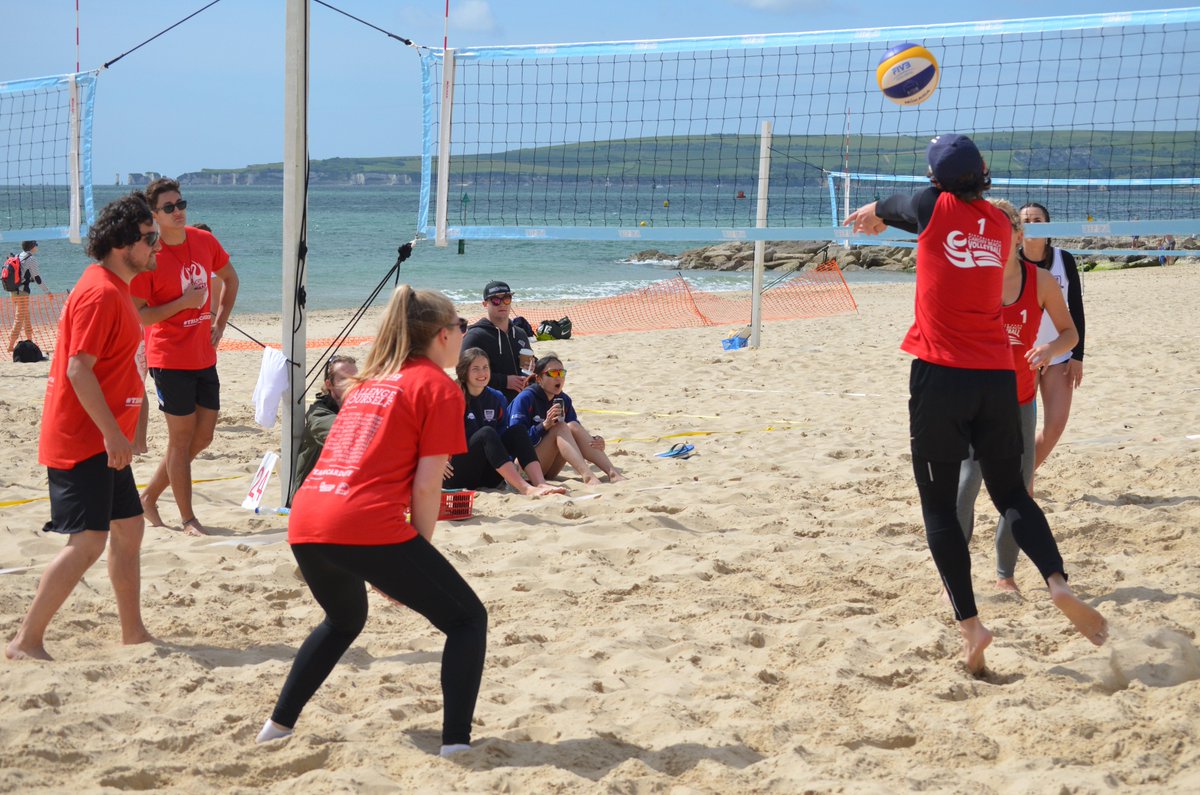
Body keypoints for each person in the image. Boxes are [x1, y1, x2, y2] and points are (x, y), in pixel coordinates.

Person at [844, 133, 1106, 674]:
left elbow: (893, 204)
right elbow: (904, 207)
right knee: (1012, 491)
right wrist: (886, 214)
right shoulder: (994, 222)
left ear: (937, 181)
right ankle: (1057, 583)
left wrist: (872, 213)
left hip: (940, 376)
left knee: (940, 509)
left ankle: (972, 626)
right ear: (984, 172)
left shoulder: (929, 206)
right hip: (995, 378)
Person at [258, 287, 487, 758]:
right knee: (468, 621)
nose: (464, 334)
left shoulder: (369, 382)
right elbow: (426, 489)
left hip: (306, 518)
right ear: (443, 335)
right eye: (460, 327)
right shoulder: (439, 387)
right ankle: (457, 747)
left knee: (344, 620)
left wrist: (401, 565)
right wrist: (414, 556)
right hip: (360, 522)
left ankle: (277, 728)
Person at [6, 195, 159, 661]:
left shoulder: (115, 287)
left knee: (129, 528)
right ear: (120, 243)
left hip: (106, 437)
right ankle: (26, 642)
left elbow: (121, 370)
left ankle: (132, 633)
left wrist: (131, 426)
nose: (157, 247)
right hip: (83, 438)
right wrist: (114, 433)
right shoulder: (100, 292)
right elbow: (78, 370)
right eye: (149, 238)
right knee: (88, 542)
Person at [956, 199, 1078, 594]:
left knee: (1019, 488)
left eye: (1004, 228)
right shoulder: (970, 280)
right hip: (977, 398)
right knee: (966, 484)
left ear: (1018, 236)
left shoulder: (1040, 281)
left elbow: (1069, 332)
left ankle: (1005, 576)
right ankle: (954, 576)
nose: (995, 236)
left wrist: (1049, 350)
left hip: (1021, 398)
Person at [130, 179, 240, 536]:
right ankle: (188, 518)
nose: (178, 211)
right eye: (169, 207)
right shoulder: (150, 255)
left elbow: (230, 278)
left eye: (181, 204)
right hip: (169, 357)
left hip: (203, 355)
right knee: (179, 441)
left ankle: (147, 497)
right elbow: (140, 314)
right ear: (154, 215)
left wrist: (218, 323)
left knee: (203, 436)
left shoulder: (203, 240)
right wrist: (184, 303)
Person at [1018, 203, 1085, 471]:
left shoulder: (1064, 259)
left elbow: (1077, 310)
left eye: (1038, 219)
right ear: (1018, 228)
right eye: (1026, 220)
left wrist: (1078, 356)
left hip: (1060, 352)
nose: (1032, 224)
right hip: (1022, 356)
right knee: (1020, 430)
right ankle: (1020, 485)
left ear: (1049, 225)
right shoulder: (1011, 262)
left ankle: (1021, 475)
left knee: (1055, 426)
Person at [444, 348, 565, 496]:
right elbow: (433, 433)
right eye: (475, 369)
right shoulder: (452, 397)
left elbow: (502, 437)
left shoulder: (496, 397)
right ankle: (526, 488)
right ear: (464, 372)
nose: (482, 373)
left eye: (485, 367)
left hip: (488, 476)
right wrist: (437, 461)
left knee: (517, 431)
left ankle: (540, 483)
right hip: (456, 474)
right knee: (486, 433)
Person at [507, 355, 626, 485]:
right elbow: (515, 442)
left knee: (573, 426)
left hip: (549, 469)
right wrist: (544, 426)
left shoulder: (564, 399)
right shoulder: (526, 398)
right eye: (553, 373)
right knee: (560, 427)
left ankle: (613, 473)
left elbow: (574, 435)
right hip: (523, 468)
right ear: (539, 378)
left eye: (562, 372)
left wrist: (595, 440)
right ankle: (588, 477)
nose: (559, 377)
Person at [288, 354, 358, 502]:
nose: (352, 385)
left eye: (356, 379)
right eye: (344, 379)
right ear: (329, 384)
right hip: (311, 497)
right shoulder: (318, 413)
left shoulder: (357, 408)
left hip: (339, 492)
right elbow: (345, 433)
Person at [461, 280, 528, 402]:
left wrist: (534, 365)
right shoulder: (475, 336)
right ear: (485, 304)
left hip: (522, 404)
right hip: (489, 406)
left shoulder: (520, 334)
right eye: (496, 300)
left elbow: (529, 365)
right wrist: (505, 381)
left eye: (507, 298)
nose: (502, 304)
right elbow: (463, 373)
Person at [7, 240, 51, 353]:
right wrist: (47, 292)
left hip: (13, 291)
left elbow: (24, 275)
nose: (37, 247)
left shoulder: (18, 256)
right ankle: (10, 345)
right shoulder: (31, 259)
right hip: (22, 292)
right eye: (36, 245)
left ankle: (30, 340)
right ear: (32, 247)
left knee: (26, 316)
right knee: (19, 318)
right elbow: (37, 278)